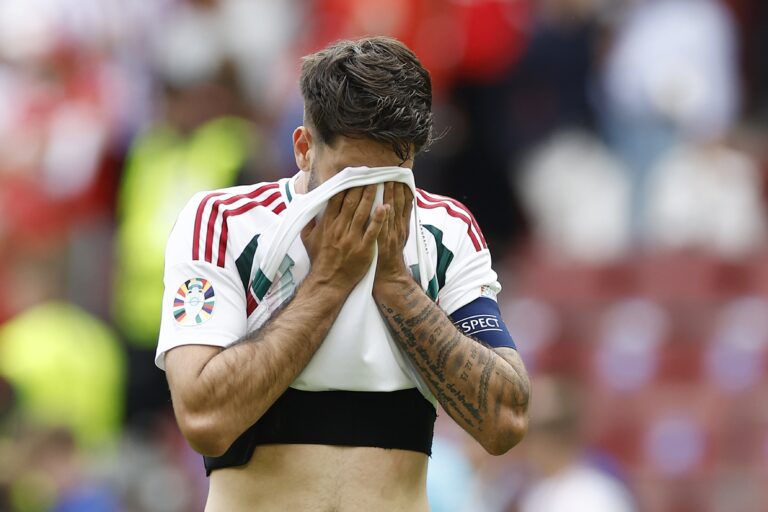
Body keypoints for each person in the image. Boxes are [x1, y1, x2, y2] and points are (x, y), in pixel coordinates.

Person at [156, 36, 530, 511]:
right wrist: (328, 282)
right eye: (351, 178)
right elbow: (204, 420)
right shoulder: (224, 222)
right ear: (304, 149)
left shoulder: (445, 231)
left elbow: (505, 421)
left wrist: (397, 287)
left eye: (390, 179)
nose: (368, 203)